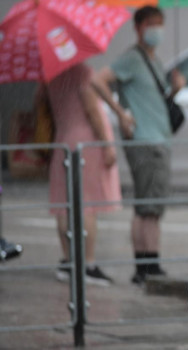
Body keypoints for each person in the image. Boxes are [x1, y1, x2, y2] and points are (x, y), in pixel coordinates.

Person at [92, 5, 186, 285]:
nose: (157, 29)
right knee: (146, 206)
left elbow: (156, 100)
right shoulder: (132, 59)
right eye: (151, 24)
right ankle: (143, 266)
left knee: (154, 206)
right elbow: (98, 80)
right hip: (145, 141)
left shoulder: (154, 60)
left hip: (159, 138)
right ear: (139, 27)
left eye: (160, 23)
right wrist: (120, 113)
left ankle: (151, 262)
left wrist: (176, 89)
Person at [41, 64, 121, 286]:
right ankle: (88, 264)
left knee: (63, 204)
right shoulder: (83, 73)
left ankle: (68, 261)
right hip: (86, 143)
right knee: (87, 204)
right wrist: (108, 144)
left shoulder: (51, 74)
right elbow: (92, 110)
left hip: (62, 139)